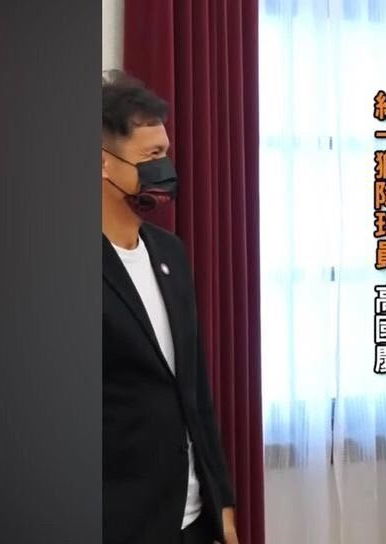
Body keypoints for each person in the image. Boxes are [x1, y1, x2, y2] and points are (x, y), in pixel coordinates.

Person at [102, 70, 238, 544]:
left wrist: (223, 504)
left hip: (193, 518)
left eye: (166, 153)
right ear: (102, 162)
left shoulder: (170, 253)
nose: (164, 168)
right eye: (150, 157)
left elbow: (195, 390)